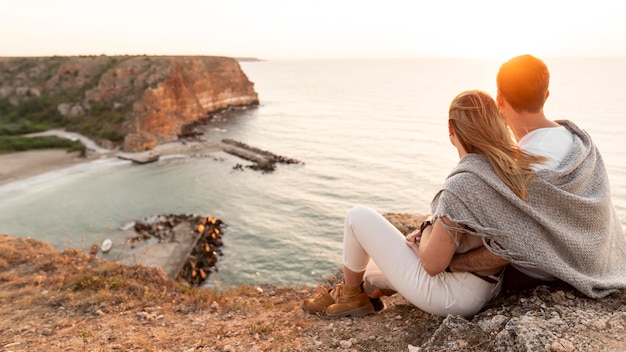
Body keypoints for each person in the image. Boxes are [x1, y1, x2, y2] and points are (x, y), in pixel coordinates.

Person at [302, 90, 547, 318]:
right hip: (486, 287)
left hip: (451, 295)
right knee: (370, 272)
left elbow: (432, 264)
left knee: (358, 216)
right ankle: (358, 293)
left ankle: (350, 296)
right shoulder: (511, 170)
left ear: (451, 129)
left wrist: (426, 230)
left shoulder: (463, 183)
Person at [447, 55, 626, 295]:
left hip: (540, 273)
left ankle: (379, 287)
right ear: (546, 95)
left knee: (435, 255)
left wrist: (452, 264)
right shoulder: (577, 141)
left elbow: (508, 244)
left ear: (499, 99)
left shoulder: (520, 167)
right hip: (596, 257)